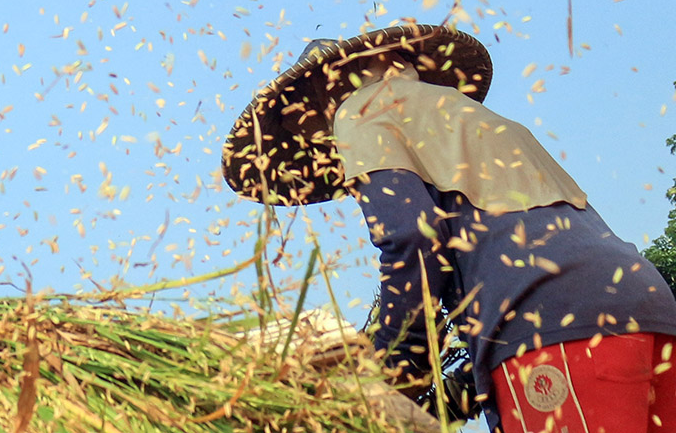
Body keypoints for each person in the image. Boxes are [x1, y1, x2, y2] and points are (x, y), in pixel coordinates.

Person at [222, 23, 676, 433]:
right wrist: (459, 389)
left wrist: (396, 365)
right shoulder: (469, 117)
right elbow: (511, 245)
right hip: (646, 307)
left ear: (329, 87)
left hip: (556, 326)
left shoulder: (361, 109)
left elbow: (412, 237)